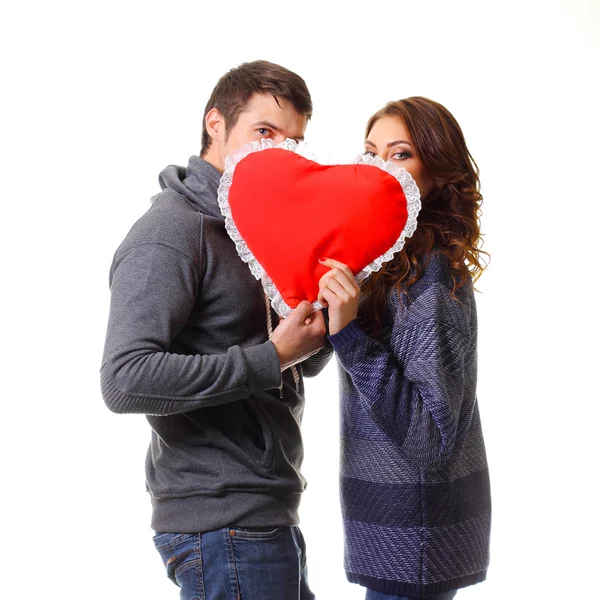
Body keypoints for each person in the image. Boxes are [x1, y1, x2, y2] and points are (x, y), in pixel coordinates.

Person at [100, 60, 332, 600]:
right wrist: (272, 357)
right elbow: (124, 379)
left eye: (293, 141)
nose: (279, 152)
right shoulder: (172, 232)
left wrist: (319, 332)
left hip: (264, 514)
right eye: (264, 133)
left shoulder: (258, 227)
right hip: (224, 525)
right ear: (215, 125)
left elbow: (288, 361)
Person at [317, 97, 491, 600]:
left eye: (399, 154)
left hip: (415, 541)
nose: (378, 168)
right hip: (396, 530)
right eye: (369, 153)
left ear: (436, 174)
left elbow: (429, 436)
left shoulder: (430, 272)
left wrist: (348, 334)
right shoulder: (387, 261)